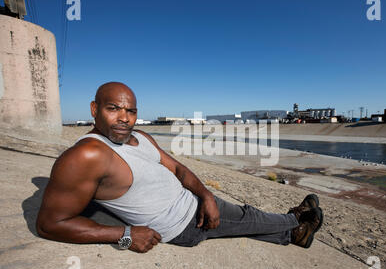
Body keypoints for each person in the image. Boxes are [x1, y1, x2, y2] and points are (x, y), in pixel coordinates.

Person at [36, 82, 323, 253]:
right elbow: (49, 225)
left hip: (194, 202)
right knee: (248, 216)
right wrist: (124, 235)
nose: (124, 118)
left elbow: (179, 170)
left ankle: (293, 235)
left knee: (240, 224)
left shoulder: (140, 137)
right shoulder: (85, 156)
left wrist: (207, 196)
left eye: (131, 111)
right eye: (113, 109)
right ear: (94, 109)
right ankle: (297, 220)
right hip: (184, 224)